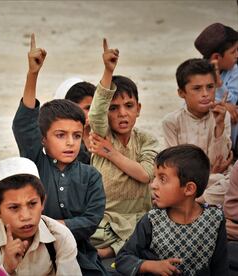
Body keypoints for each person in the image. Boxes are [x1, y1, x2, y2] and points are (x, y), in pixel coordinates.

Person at [12, 34, 108, 275]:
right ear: (43, 138)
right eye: (60, 135)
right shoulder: (34, 164)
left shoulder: (91, 175)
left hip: (79, 255)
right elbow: (24, 126)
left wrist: (51, 226)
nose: (70, 143)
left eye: (76, 135)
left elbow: (91, 219)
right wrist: (32, 74)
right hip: (32, 251)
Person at [88, 38, 158, 259]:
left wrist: (110, 152)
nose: (122, 113)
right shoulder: (101, 134)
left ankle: (109, 253)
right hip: (106, 222)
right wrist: (108, 71)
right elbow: (96, 111)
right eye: (114, 108)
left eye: (129, 106)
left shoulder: (147, 140)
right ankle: (113, 250)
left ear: (138, 109)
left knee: (151, 234)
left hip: (140, 217)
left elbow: (146, 174)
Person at [115, 144, 229, 276]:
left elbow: (220, 267)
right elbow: (123, 259)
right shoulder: (152, 219)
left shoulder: (214, 220)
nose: (153, 185)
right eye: (155, 177)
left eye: (162, 179)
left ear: (189, 189)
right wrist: (149, 265)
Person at [0, 156, 81, 276]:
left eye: (32, 204)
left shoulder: (60, 237)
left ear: (42, 203)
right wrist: (6, 269)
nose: (26, 216)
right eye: (14, 208)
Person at [162, 58, 232, 205]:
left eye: (210, 87)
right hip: (187, 184)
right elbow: (174, 167)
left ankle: (196, 203)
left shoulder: (223, 117)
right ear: (182, 93)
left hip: (216, 184)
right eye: (197, 88)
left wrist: (219, 125)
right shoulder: (171, 122)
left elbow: (220, 160)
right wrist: (210, 173)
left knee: (227, 181)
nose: (205, 94)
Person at [194, 23, 238, 155]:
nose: (237, 55)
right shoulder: (196, 74)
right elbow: (191, 104)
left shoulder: (234, 70)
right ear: (216, 57)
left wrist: (219, 84)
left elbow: (234, 99)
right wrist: (222, 105)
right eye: (233, 52)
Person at [54, 78, 96, 164]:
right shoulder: (58, 141)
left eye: (93, 108)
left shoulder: (105, 135)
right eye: (88, 108)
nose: (92, 113)